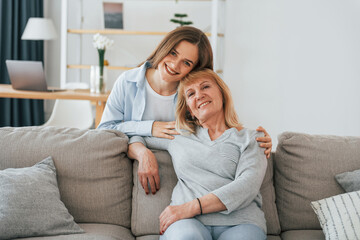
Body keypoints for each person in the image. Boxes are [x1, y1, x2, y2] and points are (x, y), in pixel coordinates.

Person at [97, 26, 272, 195]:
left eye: (186, 63)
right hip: (132, 170)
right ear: (165, 46)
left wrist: (255, 140)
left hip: (182, 180)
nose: (174, 65)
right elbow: (104, 131)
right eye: (173, 53)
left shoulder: (192, 98)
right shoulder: (127, 82)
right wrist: (147, 135)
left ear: (194, 69)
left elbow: (217, 132)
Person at [128, 69, 267, 240]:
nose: (199, 95)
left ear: (222, 94)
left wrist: (192, 206)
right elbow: (133, 137)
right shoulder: (178, 135)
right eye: (191, 93)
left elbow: (247, 186)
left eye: (205, 87)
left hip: (241, 222)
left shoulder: (253, 138)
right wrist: (143, 154)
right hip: (187, 222)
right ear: (189, 109)